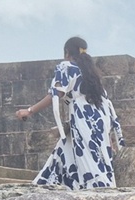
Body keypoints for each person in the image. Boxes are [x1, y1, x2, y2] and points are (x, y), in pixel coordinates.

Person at [17, 36, 123, 189]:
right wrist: (108, 134)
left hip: (83, 120)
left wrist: (29, 111)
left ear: (67, 52)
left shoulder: (67, 67)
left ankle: (95, 194)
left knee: (89, 163)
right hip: (100, 123)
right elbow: (105, 104)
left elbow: (56, 93)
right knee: (68, 152)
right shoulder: (92, 75)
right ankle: (49, 187)